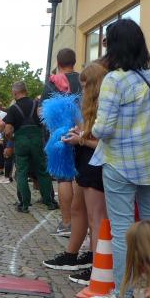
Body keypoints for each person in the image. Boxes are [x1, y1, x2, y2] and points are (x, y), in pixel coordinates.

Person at [87, 19, 150, 298]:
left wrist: (91, 129)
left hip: (121, 162)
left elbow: (103, 129)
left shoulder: (115, 79)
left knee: (123, 229)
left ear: (114, 46)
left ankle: (122, 297)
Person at [43, 62, 109, 275]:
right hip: (86, 161)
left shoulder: (105, 106)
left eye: (86, 85)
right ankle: (74, 256)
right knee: (78, 210)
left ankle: (97, 268)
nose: (83, 89)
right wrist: (78, 134)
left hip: (95, 163)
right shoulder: (90, 105)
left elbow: (105, 144)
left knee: (96, 218)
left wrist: (80, 139)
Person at [43, 48, 83, 237]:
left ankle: (67, 223)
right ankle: (82, 223)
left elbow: (42, 112)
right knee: (79, 177)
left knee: (64, 178)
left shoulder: (52, 82)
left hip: (60, 135)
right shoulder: (83, 79)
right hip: (83, 132)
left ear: (58, 63)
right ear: (74, 62)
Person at [4, 82, 58, 213]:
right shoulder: (37, 104)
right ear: (26, 91)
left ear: (15, 93)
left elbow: (8, 130)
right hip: (37, 141)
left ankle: (24, 204)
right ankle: (49, 202)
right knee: (42, 171)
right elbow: (46, 122)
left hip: (21, 143)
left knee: (22, 172)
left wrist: (12, 138)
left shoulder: (13, 108)